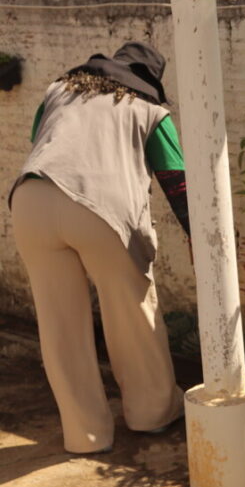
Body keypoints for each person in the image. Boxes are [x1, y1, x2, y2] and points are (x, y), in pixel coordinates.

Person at [9, 41, 191, 454]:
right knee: (131, 310)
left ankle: (84, 435)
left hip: (31, 201)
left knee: (59, 327)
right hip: (100, 210)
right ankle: (153, 413)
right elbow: (178, 184)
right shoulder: (150, 111)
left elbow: (44, 142)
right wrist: (200, 238)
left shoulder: (59, 91)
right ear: (149, 83)